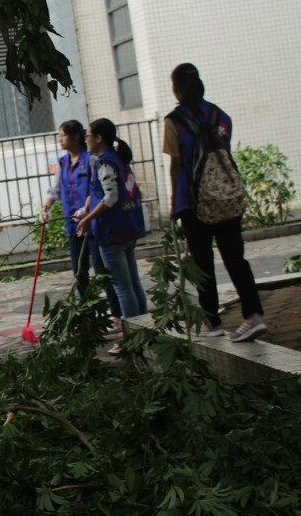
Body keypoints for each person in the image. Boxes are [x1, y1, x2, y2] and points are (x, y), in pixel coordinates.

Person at [163, 63, 265, 341]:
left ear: (175, 87)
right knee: (235, 258)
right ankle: (253, 316)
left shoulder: (174, 122)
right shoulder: (221, 117)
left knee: (202, 263)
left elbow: (176, 165)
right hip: (227, 198)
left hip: (194, 203)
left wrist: (174, 204)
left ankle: (212, 323)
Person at [76, 119, 147, 354]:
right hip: (128, 228)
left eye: (87, 136)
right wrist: (86, 209)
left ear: (98, 139)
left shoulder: (105, 162)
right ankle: (144, 331)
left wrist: (87, 220)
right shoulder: (117, 159)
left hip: (113, 231)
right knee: (133, 284)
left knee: (122, 288)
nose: (85, 140)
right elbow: (100, 194)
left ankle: (132, 337)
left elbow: (110, 197)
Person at [41, 120, 122, 322]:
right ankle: (88, 316)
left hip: (93, 223)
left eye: (63, 135)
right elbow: (56, 189)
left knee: (102, 271)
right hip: (73, 224)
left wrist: (86, 211)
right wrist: (46, 206)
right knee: (79, 272)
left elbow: (96, 189)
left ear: (76, 136)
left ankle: (117, 314)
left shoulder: (92, 160)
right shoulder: (63, 162)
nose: (60, 139)